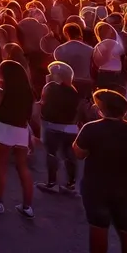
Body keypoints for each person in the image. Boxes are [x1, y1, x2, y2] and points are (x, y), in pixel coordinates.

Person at [74, 89, 127, 253]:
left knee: (99, 227)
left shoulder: (91, 128)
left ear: (103, 108)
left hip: (97, 186)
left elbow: (79, 153)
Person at [0, 59, 36, 217]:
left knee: (0, 165)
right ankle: (27, 206)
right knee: (22, 167)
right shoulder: (28, 92)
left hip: (3, 128)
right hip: (21, 129)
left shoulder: (2, 92)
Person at [36, 61, 82, 196]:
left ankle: (52, 183)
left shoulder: (49, 88)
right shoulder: (74, 91)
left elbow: (43, 104)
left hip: (52, 126)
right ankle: (71, 184)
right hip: (71, 128)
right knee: (69, 155)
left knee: (51, 154)